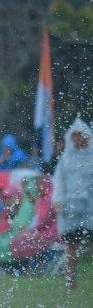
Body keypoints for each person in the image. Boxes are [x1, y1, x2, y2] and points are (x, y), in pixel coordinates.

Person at [51, 118, 93, 289]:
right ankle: (70, 280)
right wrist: (58, 200)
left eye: (80, 135)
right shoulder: (66, 158)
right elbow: (59, 181)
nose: (78, 139)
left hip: (90, 207)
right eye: (75, 135)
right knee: (71, 246)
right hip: (71, 208)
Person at [9, 174, 60, 273]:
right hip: (43, 231)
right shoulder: (41, 199)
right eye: (36, 185)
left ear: (46, 184)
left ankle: (29, 269)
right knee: (18, 239)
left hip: (51, 232)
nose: (37, 188)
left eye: (39, 185)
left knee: (19, 241)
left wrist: (30, 230)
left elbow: (44, 221)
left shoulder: (50, 198)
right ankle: (31, 268)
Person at [0, 176, 36, 273]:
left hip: (26, 228)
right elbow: (18, 220)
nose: (24, 185)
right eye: (23, 183)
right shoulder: (24, 200)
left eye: (25, 183)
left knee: (13, 241)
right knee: (0, 238)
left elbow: (31, 218)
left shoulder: (30, 200)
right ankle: (6, 266)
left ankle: (21, 268)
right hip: (17, 227)